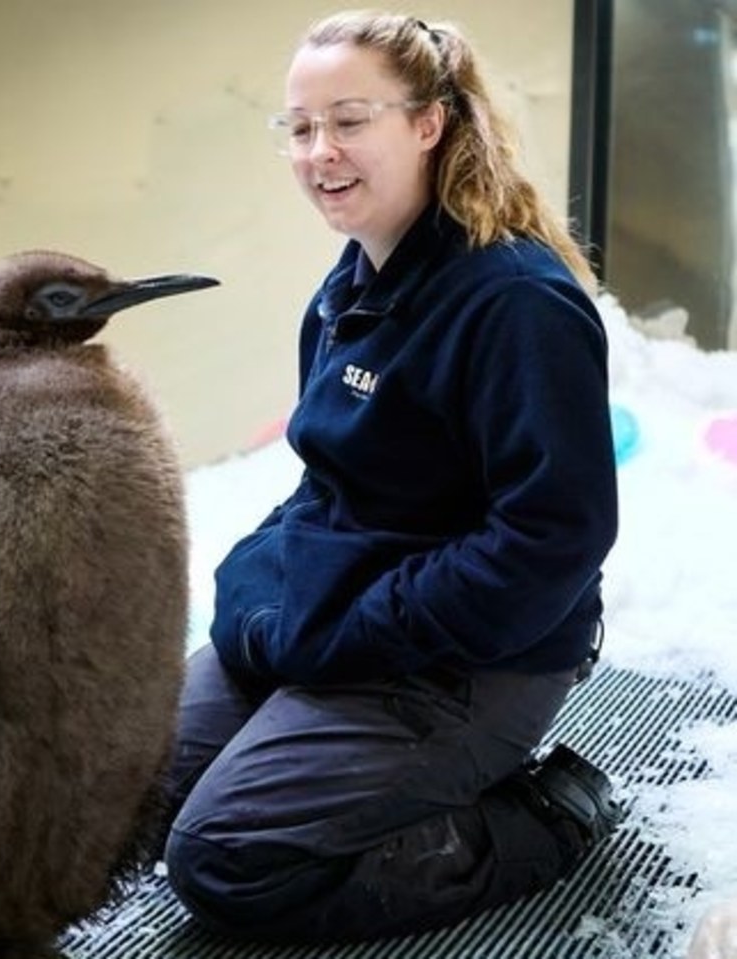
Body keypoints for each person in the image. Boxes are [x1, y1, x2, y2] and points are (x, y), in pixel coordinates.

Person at [160, 10, 622, 944]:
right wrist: (260, 591)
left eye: (349, 119)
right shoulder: (351, 287)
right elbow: (328, 485)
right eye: (299, 127)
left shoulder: (516, 304)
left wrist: (353, 631)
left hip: (479, 653)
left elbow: (550, 541)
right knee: (117, 783)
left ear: (429, 123)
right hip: (358, 620)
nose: (319, 150)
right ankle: (346, 757)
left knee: (228, 857)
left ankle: (541, 818)